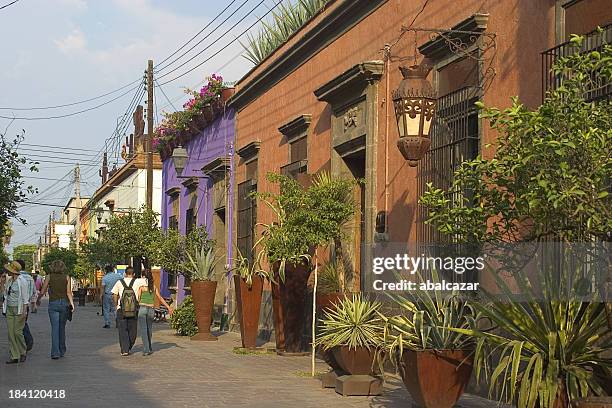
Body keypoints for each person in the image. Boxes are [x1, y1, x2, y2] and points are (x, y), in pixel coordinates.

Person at [37, 260, 74, 360]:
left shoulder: (49, 276)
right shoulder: (67, 277)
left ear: (52, 267)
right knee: (62, 328)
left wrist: (38, 299)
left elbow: (43, 290)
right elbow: (68, 292)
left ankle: (55, 353)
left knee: (55, 328)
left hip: (53, 303)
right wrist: (72, 304)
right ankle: (62, 350)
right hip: (64, 304)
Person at [137, 269, 173, 356]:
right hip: (151, 309)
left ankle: (146, 349)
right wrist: (168, 307)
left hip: (142, 308)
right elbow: (160, 298)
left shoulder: (141, 287)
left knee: (143, 329)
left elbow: (138, 299)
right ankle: (149, 347)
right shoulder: (153, 287)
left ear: (142, 276)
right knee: (149, 329)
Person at [2, 261, 30, 364]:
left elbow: (25, 298)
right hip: (9, 308)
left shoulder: (22, 281)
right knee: (11, 333)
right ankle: (14, 355)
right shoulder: (9, 281)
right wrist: (2, 282)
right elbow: (5, 294)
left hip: (19, 309)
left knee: (17, 332)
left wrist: (24, 311)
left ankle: (23, 351)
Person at [111, 266, 142, 356]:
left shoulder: (119, 282)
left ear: (125, 273)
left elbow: (114, 294)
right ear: (134, 274)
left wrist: (116, 304)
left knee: (123, 329)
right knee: (133, 330)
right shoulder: (137, 282)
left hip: (122, 309)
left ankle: (125, 349)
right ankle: (129, 345)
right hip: (134, 310)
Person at [15, 260, 35, 352]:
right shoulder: (30, 278)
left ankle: (27, 340)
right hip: (26, 304)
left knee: (19, 325)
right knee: (22, 323)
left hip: (16, 304)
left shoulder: (17, 277)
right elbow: (33, 292)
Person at [100, 265, 121, 329]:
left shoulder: (105, 278)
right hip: (116, 295)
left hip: (107, 295)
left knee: (106, 309)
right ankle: (117, 322)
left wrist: (101, 295)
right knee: (115, 308)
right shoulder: (118, 276)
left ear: (106, 270)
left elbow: (103, 287)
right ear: (112, 270)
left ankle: (107, 323)